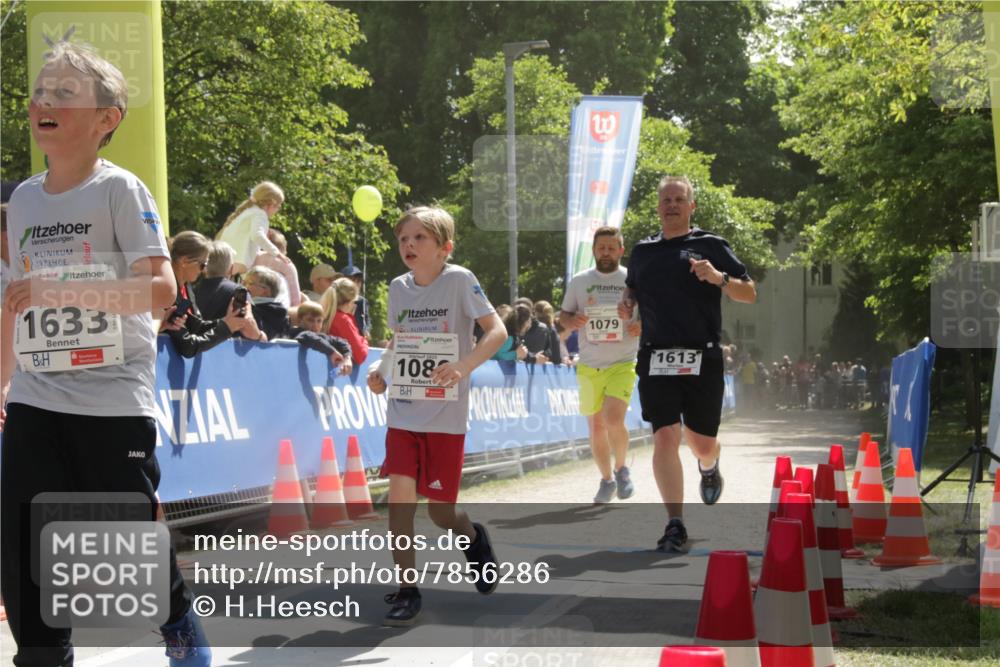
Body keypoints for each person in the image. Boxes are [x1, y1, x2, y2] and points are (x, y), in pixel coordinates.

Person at [0, 42, 211, 666]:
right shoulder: (24, 201)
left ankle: (176, 622)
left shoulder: (119, 188)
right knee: (25, 540)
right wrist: (3, 384)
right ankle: (43, 656)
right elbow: (20, 303)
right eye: (41, 91)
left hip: (112, 397)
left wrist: (59, 289)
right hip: (37, 395)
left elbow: (160, 291)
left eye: (64, 92)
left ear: (106, 118)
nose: (45, 100)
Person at [367, 206, 506, 626]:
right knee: (401, 503)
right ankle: (407, 588)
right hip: (404, 413)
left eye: (419, 238)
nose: (408, 245)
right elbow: (399, 340)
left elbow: (497, 331)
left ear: (445, 247)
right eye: (403, 239)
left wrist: (463, 365)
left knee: (441, 514)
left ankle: (473, 538)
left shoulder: (460, 280)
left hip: (446, 417)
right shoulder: (398, 287)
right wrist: (382, 371)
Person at [618, 175, 756, 553]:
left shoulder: (710, 245)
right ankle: (674, 523)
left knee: (701, 443)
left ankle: (709, 465)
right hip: (656, 355)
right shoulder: (643, 251)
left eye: (679, 199)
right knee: (665, 436)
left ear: (691, 206)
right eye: (666, 200)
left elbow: (749, 293)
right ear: (658, 207)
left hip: (702, 355)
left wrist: (718, 277)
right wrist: (628, 302)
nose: (672, 205)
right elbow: (633, 286)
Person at [561, 226, 641, 504]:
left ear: (621, 250)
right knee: (596, 427)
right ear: (594, 250)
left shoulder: (633, 279)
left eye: (611, 248)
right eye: (601, 248)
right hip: (589, 365)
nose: (606, 252)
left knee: (613, 419)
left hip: (622, 362)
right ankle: (606, 480)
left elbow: (652, 313)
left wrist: (641, 325)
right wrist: (572, 321)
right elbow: (563, 315)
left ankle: (622, 470)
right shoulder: (580, 281)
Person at [161, 231, 262, 356]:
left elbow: (196, 326)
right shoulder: (167, 289)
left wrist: (229, 320)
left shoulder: (186, 287)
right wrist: (226, 327)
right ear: (185, 261)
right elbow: (188, 346)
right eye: (202, 265)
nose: (204, 270)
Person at [216, 180, 288, 275]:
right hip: (237, 263)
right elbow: (257, 235)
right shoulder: (260, 215)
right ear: (271, 204)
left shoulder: (248, 212)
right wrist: (277, 252)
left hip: (224, 260)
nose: (277, 210)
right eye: (278, 206)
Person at [281, 301, 352, 375]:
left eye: (319, 321)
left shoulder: (320, 336)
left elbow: (341, 341)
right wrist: (332, 352)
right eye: (310, 320)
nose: (315, 325)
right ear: (299, 320)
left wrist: (347, 358)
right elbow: (307, 336)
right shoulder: (295, 331)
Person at [320, 276, 368, 365]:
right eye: (354, 301)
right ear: (349, 302)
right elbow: (360, 356)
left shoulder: (323, 315)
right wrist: (364, 339)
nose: (354, 305)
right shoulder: (344, 320)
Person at [253, 228, 302, 308]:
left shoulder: (254, 257)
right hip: (277, 309)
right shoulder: (287, 264)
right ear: (284, 248)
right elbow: (295, 300)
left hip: (252, 305)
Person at [191, 240, 238, 320]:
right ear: (231, 268)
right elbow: (248, 322)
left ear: (204, 268)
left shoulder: (191, 291)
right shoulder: (239, 292)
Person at [341, 264, 371, 339]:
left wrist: (366, 330)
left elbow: (366, 320)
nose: (356, 284)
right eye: (353, 281)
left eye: (359, 281)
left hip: (358, 337)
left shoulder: (362, 301)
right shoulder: (337, 299)